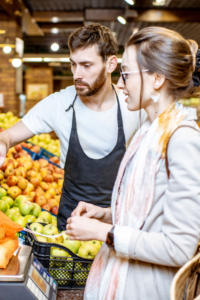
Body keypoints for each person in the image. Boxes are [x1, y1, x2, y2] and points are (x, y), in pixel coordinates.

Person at [65, 27, 200, 300]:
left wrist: (105, 232)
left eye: (126, 74)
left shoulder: (182, 139)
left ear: (157, 78)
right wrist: (107, 214)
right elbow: (150, 215)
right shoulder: (148, 131)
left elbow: (178, 247)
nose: (121, 84)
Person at [0, 24, 146, 230]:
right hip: (71, 223)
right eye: (73, 64)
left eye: (86, 65)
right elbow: (9, 135)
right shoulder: (59, 103)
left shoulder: (134, 106)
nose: (77, 74)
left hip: (119, 222)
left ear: (110, 63)